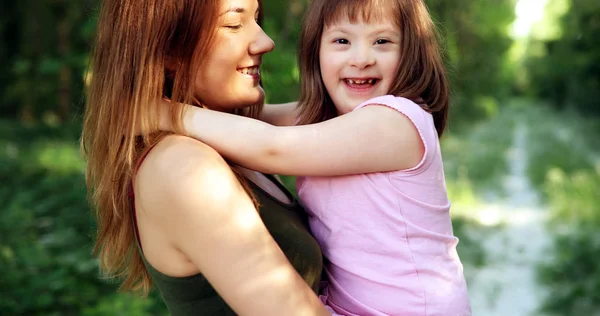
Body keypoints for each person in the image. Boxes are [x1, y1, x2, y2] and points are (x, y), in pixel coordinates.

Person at [158, 0, 472, 315]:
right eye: (342, 41)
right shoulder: (324, 118)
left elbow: (272, 147)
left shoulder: (399, 121)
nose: (361, 59)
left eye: (382, 42)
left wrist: (160, 113)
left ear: (411, 54)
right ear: (315, 51)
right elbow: (248, 123)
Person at [80, 0, 330, 315]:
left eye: (256, 19)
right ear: (168, 50)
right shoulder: (185, 167)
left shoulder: (226, 141)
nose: (266, 42)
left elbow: (340, 119)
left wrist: (168, 112)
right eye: (233, 24)